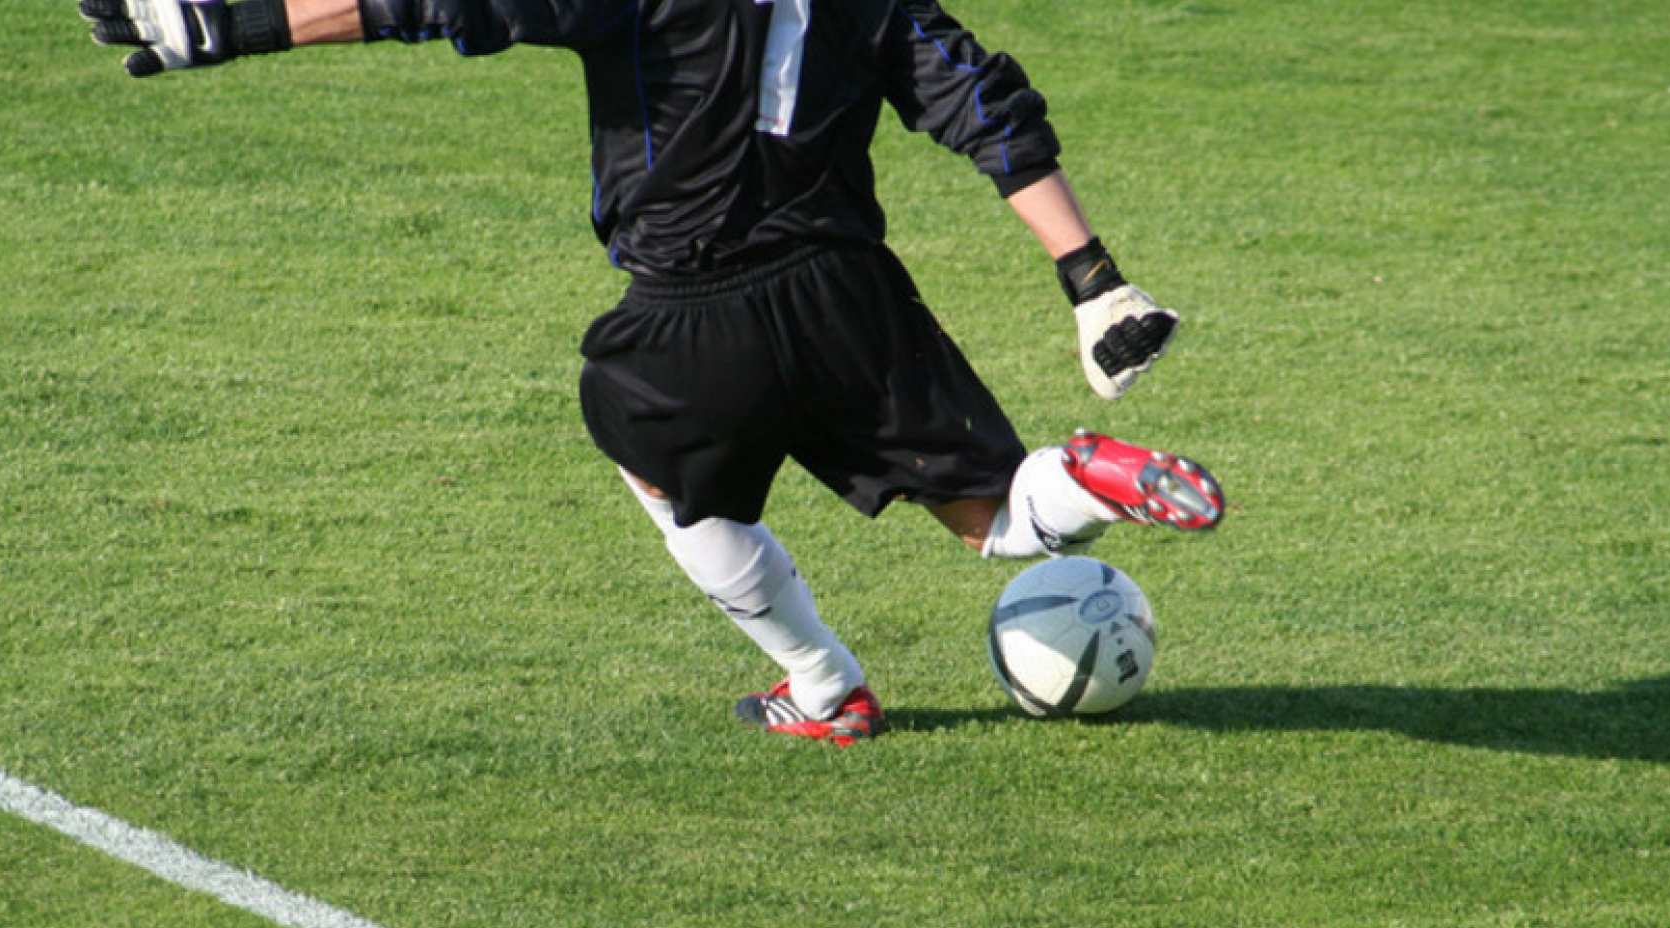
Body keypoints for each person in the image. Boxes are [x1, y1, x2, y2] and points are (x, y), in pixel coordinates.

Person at [79, 0, 1225, 745]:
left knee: (662, 480)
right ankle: (1083, 472)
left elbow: (417, 1)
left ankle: (826, 688)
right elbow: (988, 109)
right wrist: (1094, 283)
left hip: (694, 310)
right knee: (997, 520)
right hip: (850, 297)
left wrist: (229, 23)